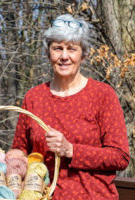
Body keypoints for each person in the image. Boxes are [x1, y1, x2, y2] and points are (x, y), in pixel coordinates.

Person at [12, 14, 130, 200]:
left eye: (72, 49)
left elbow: (120, 157)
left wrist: (71, 150)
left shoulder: (102, 95)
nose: (64, 56)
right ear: (48, 53)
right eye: (57, 48)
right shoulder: (33, 97)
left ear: (83, 55)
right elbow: (19, 152)